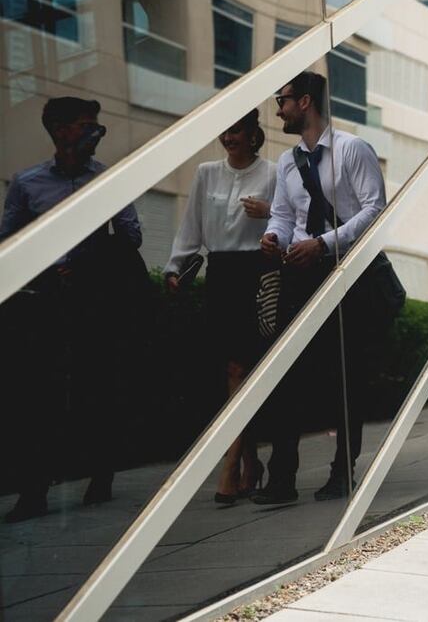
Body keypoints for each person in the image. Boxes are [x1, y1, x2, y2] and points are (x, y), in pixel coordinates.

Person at [254, 71, 404, 505]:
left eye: (282, 100)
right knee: (286, 374)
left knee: (345, 376)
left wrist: (323, 243)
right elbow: (284, 215)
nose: (278, 110)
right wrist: (274, 237)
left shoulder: (352, 149)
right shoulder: (288, 161)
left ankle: (343, 473)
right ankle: (282, 478)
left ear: (305, 101)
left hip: (346, 272)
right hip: (300, 273)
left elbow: (375, 210)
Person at [1, 97, 143, 523]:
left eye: (98, 126)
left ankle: (100, 474)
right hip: (45, 300)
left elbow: (132, 236)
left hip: (93, 298)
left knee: (94, 385)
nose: (96, 133)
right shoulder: (27, 183)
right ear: (60, 130)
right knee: (38, 395)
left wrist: (91, 256)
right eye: (87, 126)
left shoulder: (107, 179)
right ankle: (34, 491)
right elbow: (9, 241)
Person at [163, 109, 275, 505]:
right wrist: (175, 267)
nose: (229, 138)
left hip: (256, 273)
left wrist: (269, 213)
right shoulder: (206, 173)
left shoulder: (272, 173)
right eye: (225, 131)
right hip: (221, 275)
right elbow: (191, 226)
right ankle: (250, 462)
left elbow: (288, 221)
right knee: (230, 372)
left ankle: (230, 467)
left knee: (240, 370)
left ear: (253, 133)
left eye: (236, 130)